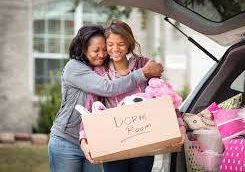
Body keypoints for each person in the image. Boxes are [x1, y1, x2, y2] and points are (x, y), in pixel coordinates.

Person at [48, 25, 163, 172]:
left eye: (104, 49)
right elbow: (108, 88)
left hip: (95, 141)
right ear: (84, 49)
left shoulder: (102, 69)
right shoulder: (74, 68)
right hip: (67, 141)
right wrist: (143, 73)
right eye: (96, 50)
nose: (102, 54)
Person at [79, 19, 186, 172]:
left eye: (121, 44)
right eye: (110, 44)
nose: (115, 49)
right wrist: (84, 140)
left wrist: (179, 124)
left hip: (145, 140)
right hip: (113, 144)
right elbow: (90, 106)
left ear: (129, 43)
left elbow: (163, 95)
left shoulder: (143, 65)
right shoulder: (100, 72)